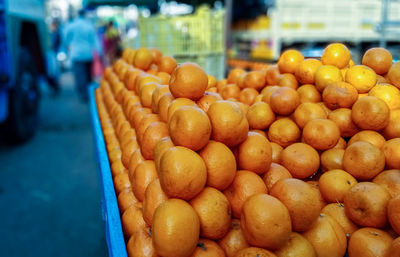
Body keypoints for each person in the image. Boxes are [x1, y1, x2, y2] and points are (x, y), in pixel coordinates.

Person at [64, 9, 101, 102]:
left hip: (76, 54)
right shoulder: (89, 26)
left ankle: (83, 95)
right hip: (88, 54)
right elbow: (95, 41)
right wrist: (99, 53)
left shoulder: (72, 25)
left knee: (80, 75)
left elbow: (65, 37)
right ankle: (89, 93)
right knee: (88, 75)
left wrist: (68, 45)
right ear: (84, 15)